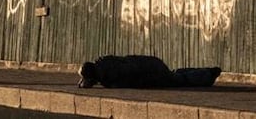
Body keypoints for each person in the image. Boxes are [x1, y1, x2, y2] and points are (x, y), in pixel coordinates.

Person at [77, 54, 221, 89]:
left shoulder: (110, 77)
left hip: (152, 72)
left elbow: (132, 79)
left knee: (179, 80)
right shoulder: (104, 63)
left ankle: (209, 74)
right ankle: (207, 71)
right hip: (150, 64)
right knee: (175, 74)